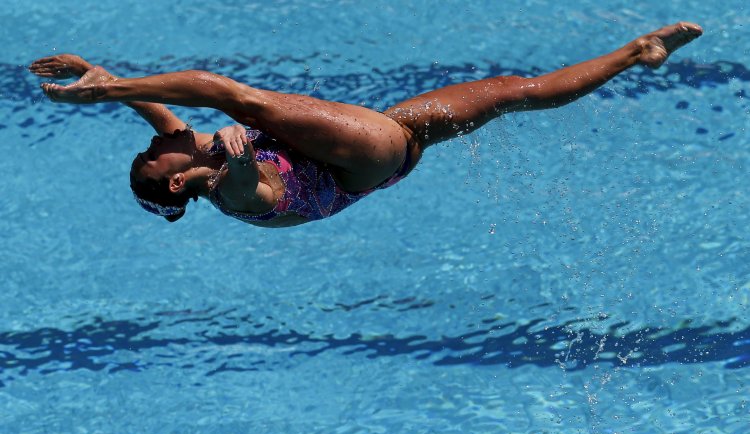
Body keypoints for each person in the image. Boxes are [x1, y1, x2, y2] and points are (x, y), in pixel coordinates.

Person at [30, 22, 702, 227]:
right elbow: (249, 183)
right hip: (363, 155)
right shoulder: (228, 191)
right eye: (151, 155)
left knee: (510, 93)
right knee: (239, 100)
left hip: (385, 155)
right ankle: (633, 54)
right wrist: (237, 155)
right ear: (178, 184)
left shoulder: (191, 156)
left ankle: (634, 54)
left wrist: (96, 73)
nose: (158, 138)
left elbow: (155, 110)